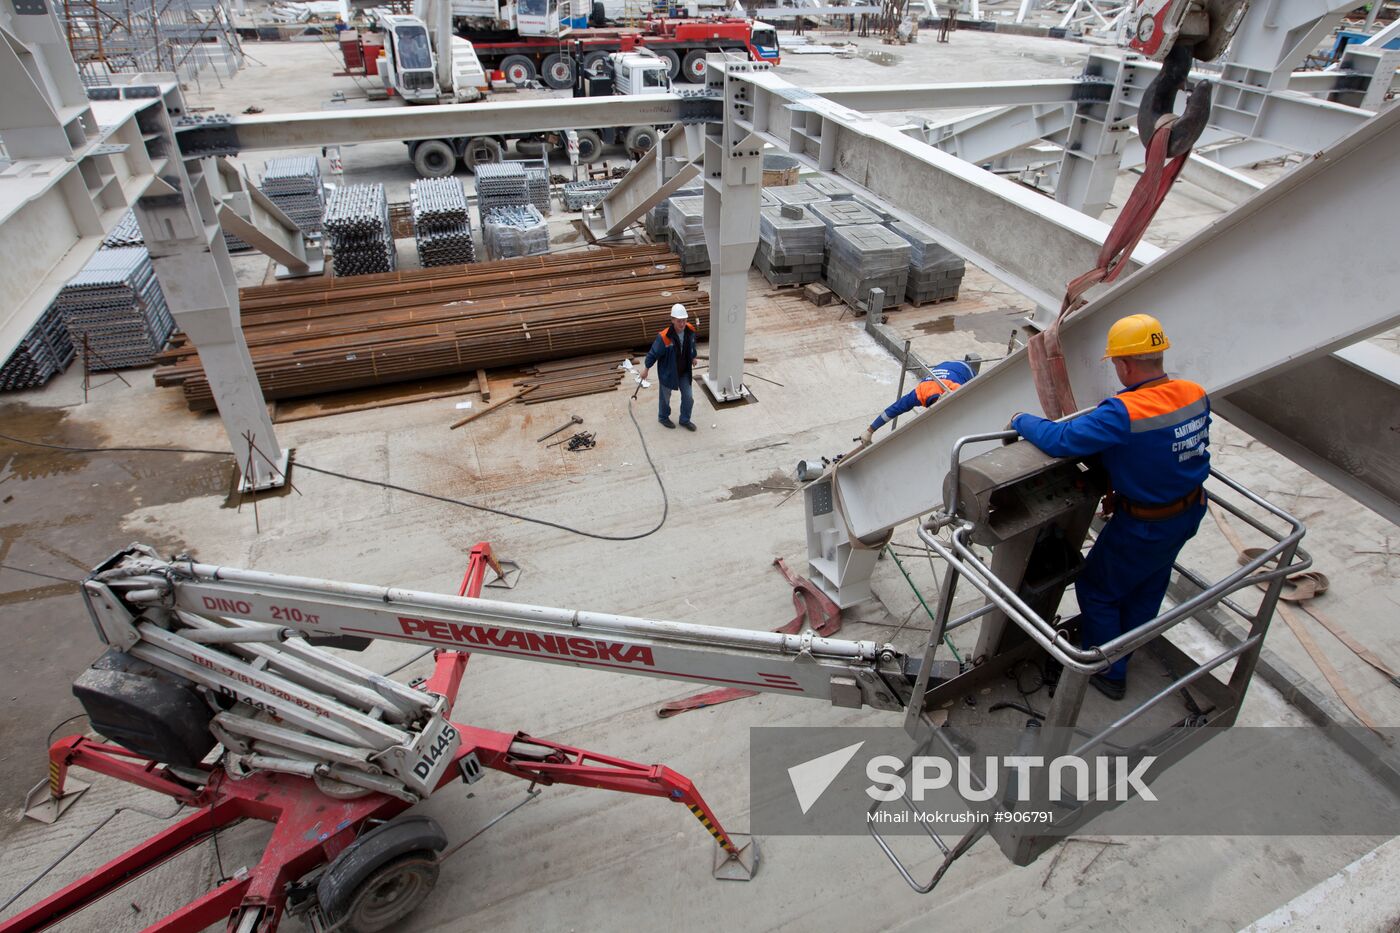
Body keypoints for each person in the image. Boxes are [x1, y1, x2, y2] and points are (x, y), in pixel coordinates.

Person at [1008, 314, 1210, 700]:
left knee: (1096, 588)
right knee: (1148, 585)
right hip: (1187, 512)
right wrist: (1122, 484)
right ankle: (1126, 648)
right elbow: (1167, 452)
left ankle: (1110, 672)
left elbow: (1059, 439)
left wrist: (1021, 420)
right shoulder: (1194, 392)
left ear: (1125, 364)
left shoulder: (1123, 412)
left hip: (1145, 526)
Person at [859, 359, 975, 446]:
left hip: (966, 371)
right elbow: (893, 409)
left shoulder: (954, 390)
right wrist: (870, 430)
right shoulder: (918, 394)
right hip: (947, 366)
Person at [641, 303, 699, 431]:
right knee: (665, 398)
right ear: (672, 320)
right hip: (668, 372)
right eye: (679, 321)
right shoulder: (664, 337)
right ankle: (663, 417)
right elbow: (653, 353)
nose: (682, 324)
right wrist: (646, 369)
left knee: (689, 397)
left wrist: (693, 356)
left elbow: (692, 345)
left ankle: (685, 420)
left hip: (684, 371)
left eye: (684, 320)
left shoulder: (690, 330)